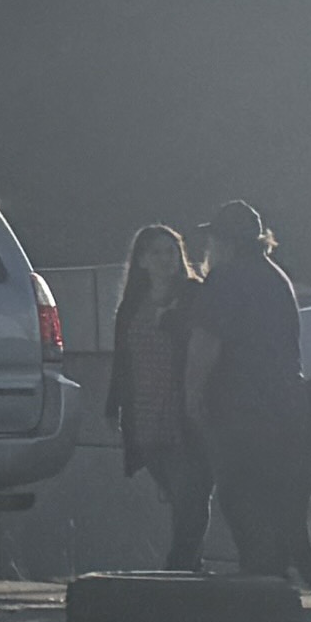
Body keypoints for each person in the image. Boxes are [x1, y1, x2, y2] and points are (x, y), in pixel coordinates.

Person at [187, 200, 311, 578]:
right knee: (275, 497)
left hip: (238, 407)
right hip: (285, 405)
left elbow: (206, 343)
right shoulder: (277, 279)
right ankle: (275, 577)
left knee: (240, 494)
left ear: (224, 242)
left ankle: (257, 579)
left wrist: (192, 394)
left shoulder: (224, 280)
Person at [107, 224, 213, 570]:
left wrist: (172, 319)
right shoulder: (132, 306)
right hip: (145, 416)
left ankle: (180, 566)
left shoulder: (194, 295)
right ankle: (188, 567)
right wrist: (113, 406)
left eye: (171, 252)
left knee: (191, 493)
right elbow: (122, 360)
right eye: (156, 252)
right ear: (141, 260)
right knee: (175, 492)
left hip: (185, 414)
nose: (165, 259)